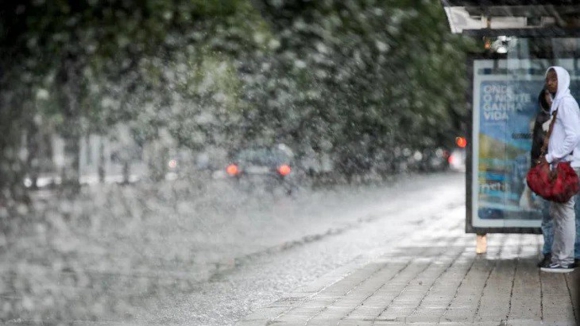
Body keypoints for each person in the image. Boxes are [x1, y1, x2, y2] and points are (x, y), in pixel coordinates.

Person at [529, 88, 580, 268]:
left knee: (564, 214)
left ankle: (564, 258)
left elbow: (572, 138)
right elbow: (537, 147)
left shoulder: (565, 108)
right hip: (552, 170)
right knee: (556, 215)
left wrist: (551, 157)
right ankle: (556, 255)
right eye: (547, 96)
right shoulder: (546, 117)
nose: (550, 99)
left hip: (563, 168)